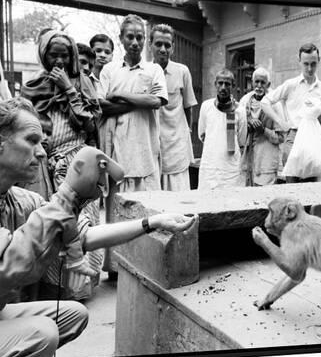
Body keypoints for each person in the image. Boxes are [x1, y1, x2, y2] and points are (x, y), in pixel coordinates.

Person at [0, 99, 196, 357]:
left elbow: (85, 237)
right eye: (32, 140)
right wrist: (67, 195)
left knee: (73, 314)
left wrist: (152, 223)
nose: (42, 152)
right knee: (42, 334)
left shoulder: (18, 199)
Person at [21, 29, 103, 299]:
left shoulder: (82, 84)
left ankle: (82, 288)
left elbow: (90, 123)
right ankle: (58, 289)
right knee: (55, 225)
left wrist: (69, 88)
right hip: (47, 164)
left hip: (79, 161)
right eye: (53, 55)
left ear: (72, 57)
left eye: (64, 55)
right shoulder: (34, 86)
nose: (58, 61)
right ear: (44, 56)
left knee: (83, 223)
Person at [98, 14, 168, 277]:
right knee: (116, 213)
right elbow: (102, 106)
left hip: (145, 151)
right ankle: (116, 268)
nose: (136, 42)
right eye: (131, 37)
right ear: (121, 39)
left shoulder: (153, 70)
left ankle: (147, 264)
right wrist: (137, 100)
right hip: (117, 152)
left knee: (147, 211)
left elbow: (156, 101)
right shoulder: (109, 70)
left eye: (140, 37)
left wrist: (121, 96)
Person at [264, 43, 321, 182]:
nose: (309, 68)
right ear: (299, 62)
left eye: (313, 64)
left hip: (315, 138)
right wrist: (281, 122)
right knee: (293, 188)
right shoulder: (291, 85)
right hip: (294, 137)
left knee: (313, 189)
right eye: (306, 64)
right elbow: (265, 102)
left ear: (319, 61)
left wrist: (318, 113)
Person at [150, 23, 197, 191]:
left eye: (167, 45)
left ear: (173, 48)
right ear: (150, 46)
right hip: (152, 143)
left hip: (176, 143)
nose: (163, 49)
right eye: (158, 44)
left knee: (178, 192)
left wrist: (186, 134)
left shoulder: (182, 71)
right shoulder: (145, 71)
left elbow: (188, 107)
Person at [198, 69, 247, 190]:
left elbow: (241, 139)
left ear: (233, 86)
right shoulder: (206, 106)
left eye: (227, 84)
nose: (223, 87)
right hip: (210, 164)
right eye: (220, 83)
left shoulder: (240, 110)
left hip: (230, 166)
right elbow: (202, 134)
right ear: (215, 84)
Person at [238, 67, 285, 186]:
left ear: (268, 84)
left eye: (262, 82)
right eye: (256, 82)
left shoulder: (275, 104)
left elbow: (280, 137)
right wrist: (248, 124)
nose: (259, 85)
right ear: (252, 82)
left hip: (266, 162)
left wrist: (263, 130)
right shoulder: (245, 101)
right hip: (248, 160)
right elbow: (239, 130)